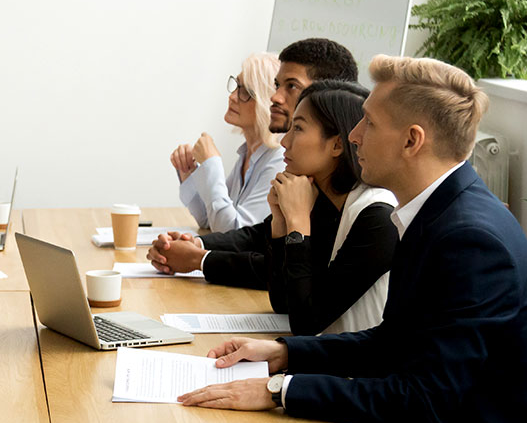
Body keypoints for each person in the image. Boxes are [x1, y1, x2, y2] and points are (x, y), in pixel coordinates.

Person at [176, 56, 527, 423]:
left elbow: (423, 399)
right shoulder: (437, 213)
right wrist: (283, 353)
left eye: (369, 122)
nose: (355, 134)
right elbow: (393, 340)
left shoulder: (469, 239)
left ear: (412, 140)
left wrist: (280, 390)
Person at [154, 81, 398, 335]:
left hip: (354, 373)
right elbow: (283, 303)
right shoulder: (325, 201)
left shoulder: (377, 217)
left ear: (337, 145)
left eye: (299, 129)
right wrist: (281, 223)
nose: (285, 142)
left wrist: (298, 225)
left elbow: (305, 323)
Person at [149, 38, 360, 287]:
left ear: (329, 94)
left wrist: (200, 258)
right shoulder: (307, 176)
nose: (275, 97)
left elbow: (287, 282)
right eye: (276, 85)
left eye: (291, 86)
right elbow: (257, 235)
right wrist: (196, 245)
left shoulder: (362, 208)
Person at [170, 53, 284, 232]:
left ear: (266, 102)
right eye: (236, 86)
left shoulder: (278, 162)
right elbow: (210, 220)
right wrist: (189, 171)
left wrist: (212, 164)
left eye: (246, 92)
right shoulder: (249, 153)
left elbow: (233, 232)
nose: (232, 97)